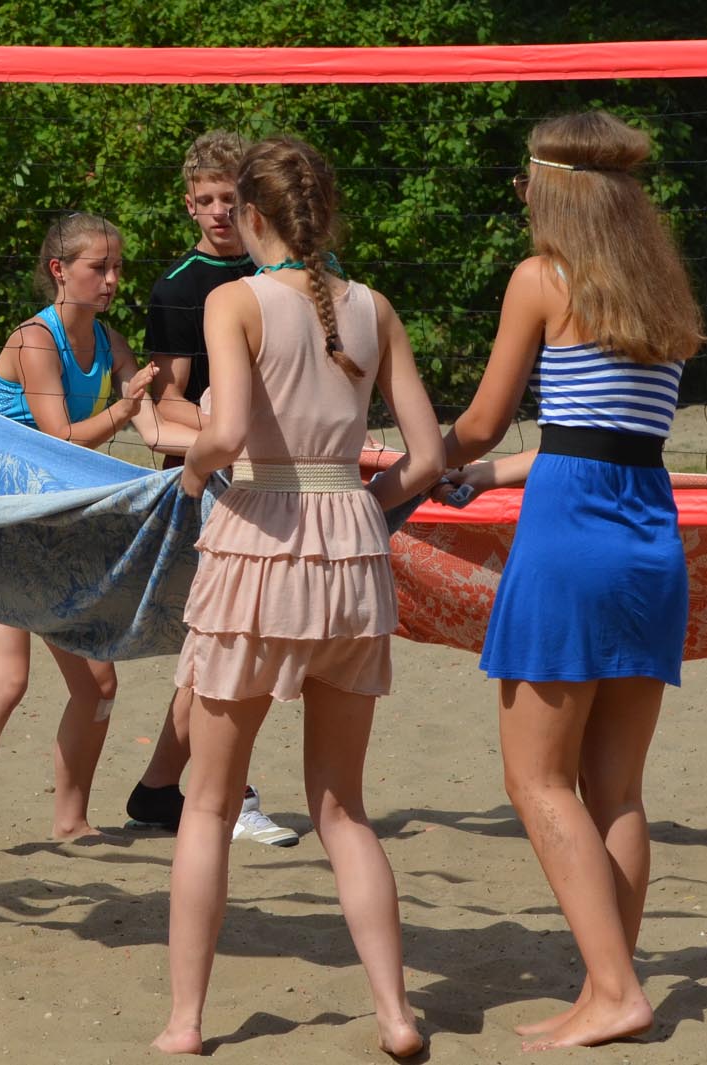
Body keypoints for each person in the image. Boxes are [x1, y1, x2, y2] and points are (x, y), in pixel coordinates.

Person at [152, 137, 440, 1058]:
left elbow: (227, 429)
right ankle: (395, 1014)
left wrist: (189, 468)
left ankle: (186, 1021)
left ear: (250, 215)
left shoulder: (235, 300)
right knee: (343, 807)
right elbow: (429, 457)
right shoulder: (374, 306)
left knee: (208, 802)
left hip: (257, 544)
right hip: (351, 546)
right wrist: (363, 505)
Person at [439, 111, 705, 1050]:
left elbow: (481, 420)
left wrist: (420, 463)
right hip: (647, 540)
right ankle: (607, 986)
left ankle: (616, 991)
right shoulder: (660, 290)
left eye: (525, 181)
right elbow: (601, 436)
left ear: (550, 188)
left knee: (536, 779)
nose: (520, 195)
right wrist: (494, 473)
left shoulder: (540, 279)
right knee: (616, 790)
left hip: (570, 542)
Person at [0, 210, 183, 856]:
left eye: (117, 267)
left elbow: (156, 430)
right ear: (59, 270)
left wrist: (236, 441)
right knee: (5, 681)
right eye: (99, 267)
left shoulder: (110, 340)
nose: (112, 280)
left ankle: (71, 822)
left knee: (97, 684)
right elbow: (61, 439)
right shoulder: (34, 341)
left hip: (57, 534)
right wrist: (124, 408)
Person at [125, 130, 296, 848]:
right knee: (233, 642)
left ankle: (160, 786)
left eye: (231, 197)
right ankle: (229, 794)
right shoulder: (179, 287)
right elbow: (167, 403)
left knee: (226, 643)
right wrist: (237, 430)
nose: (220, 211)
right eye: (207, 199)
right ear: (189, 204)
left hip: (283, 475)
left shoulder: (287, 274)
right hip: (213, 477)